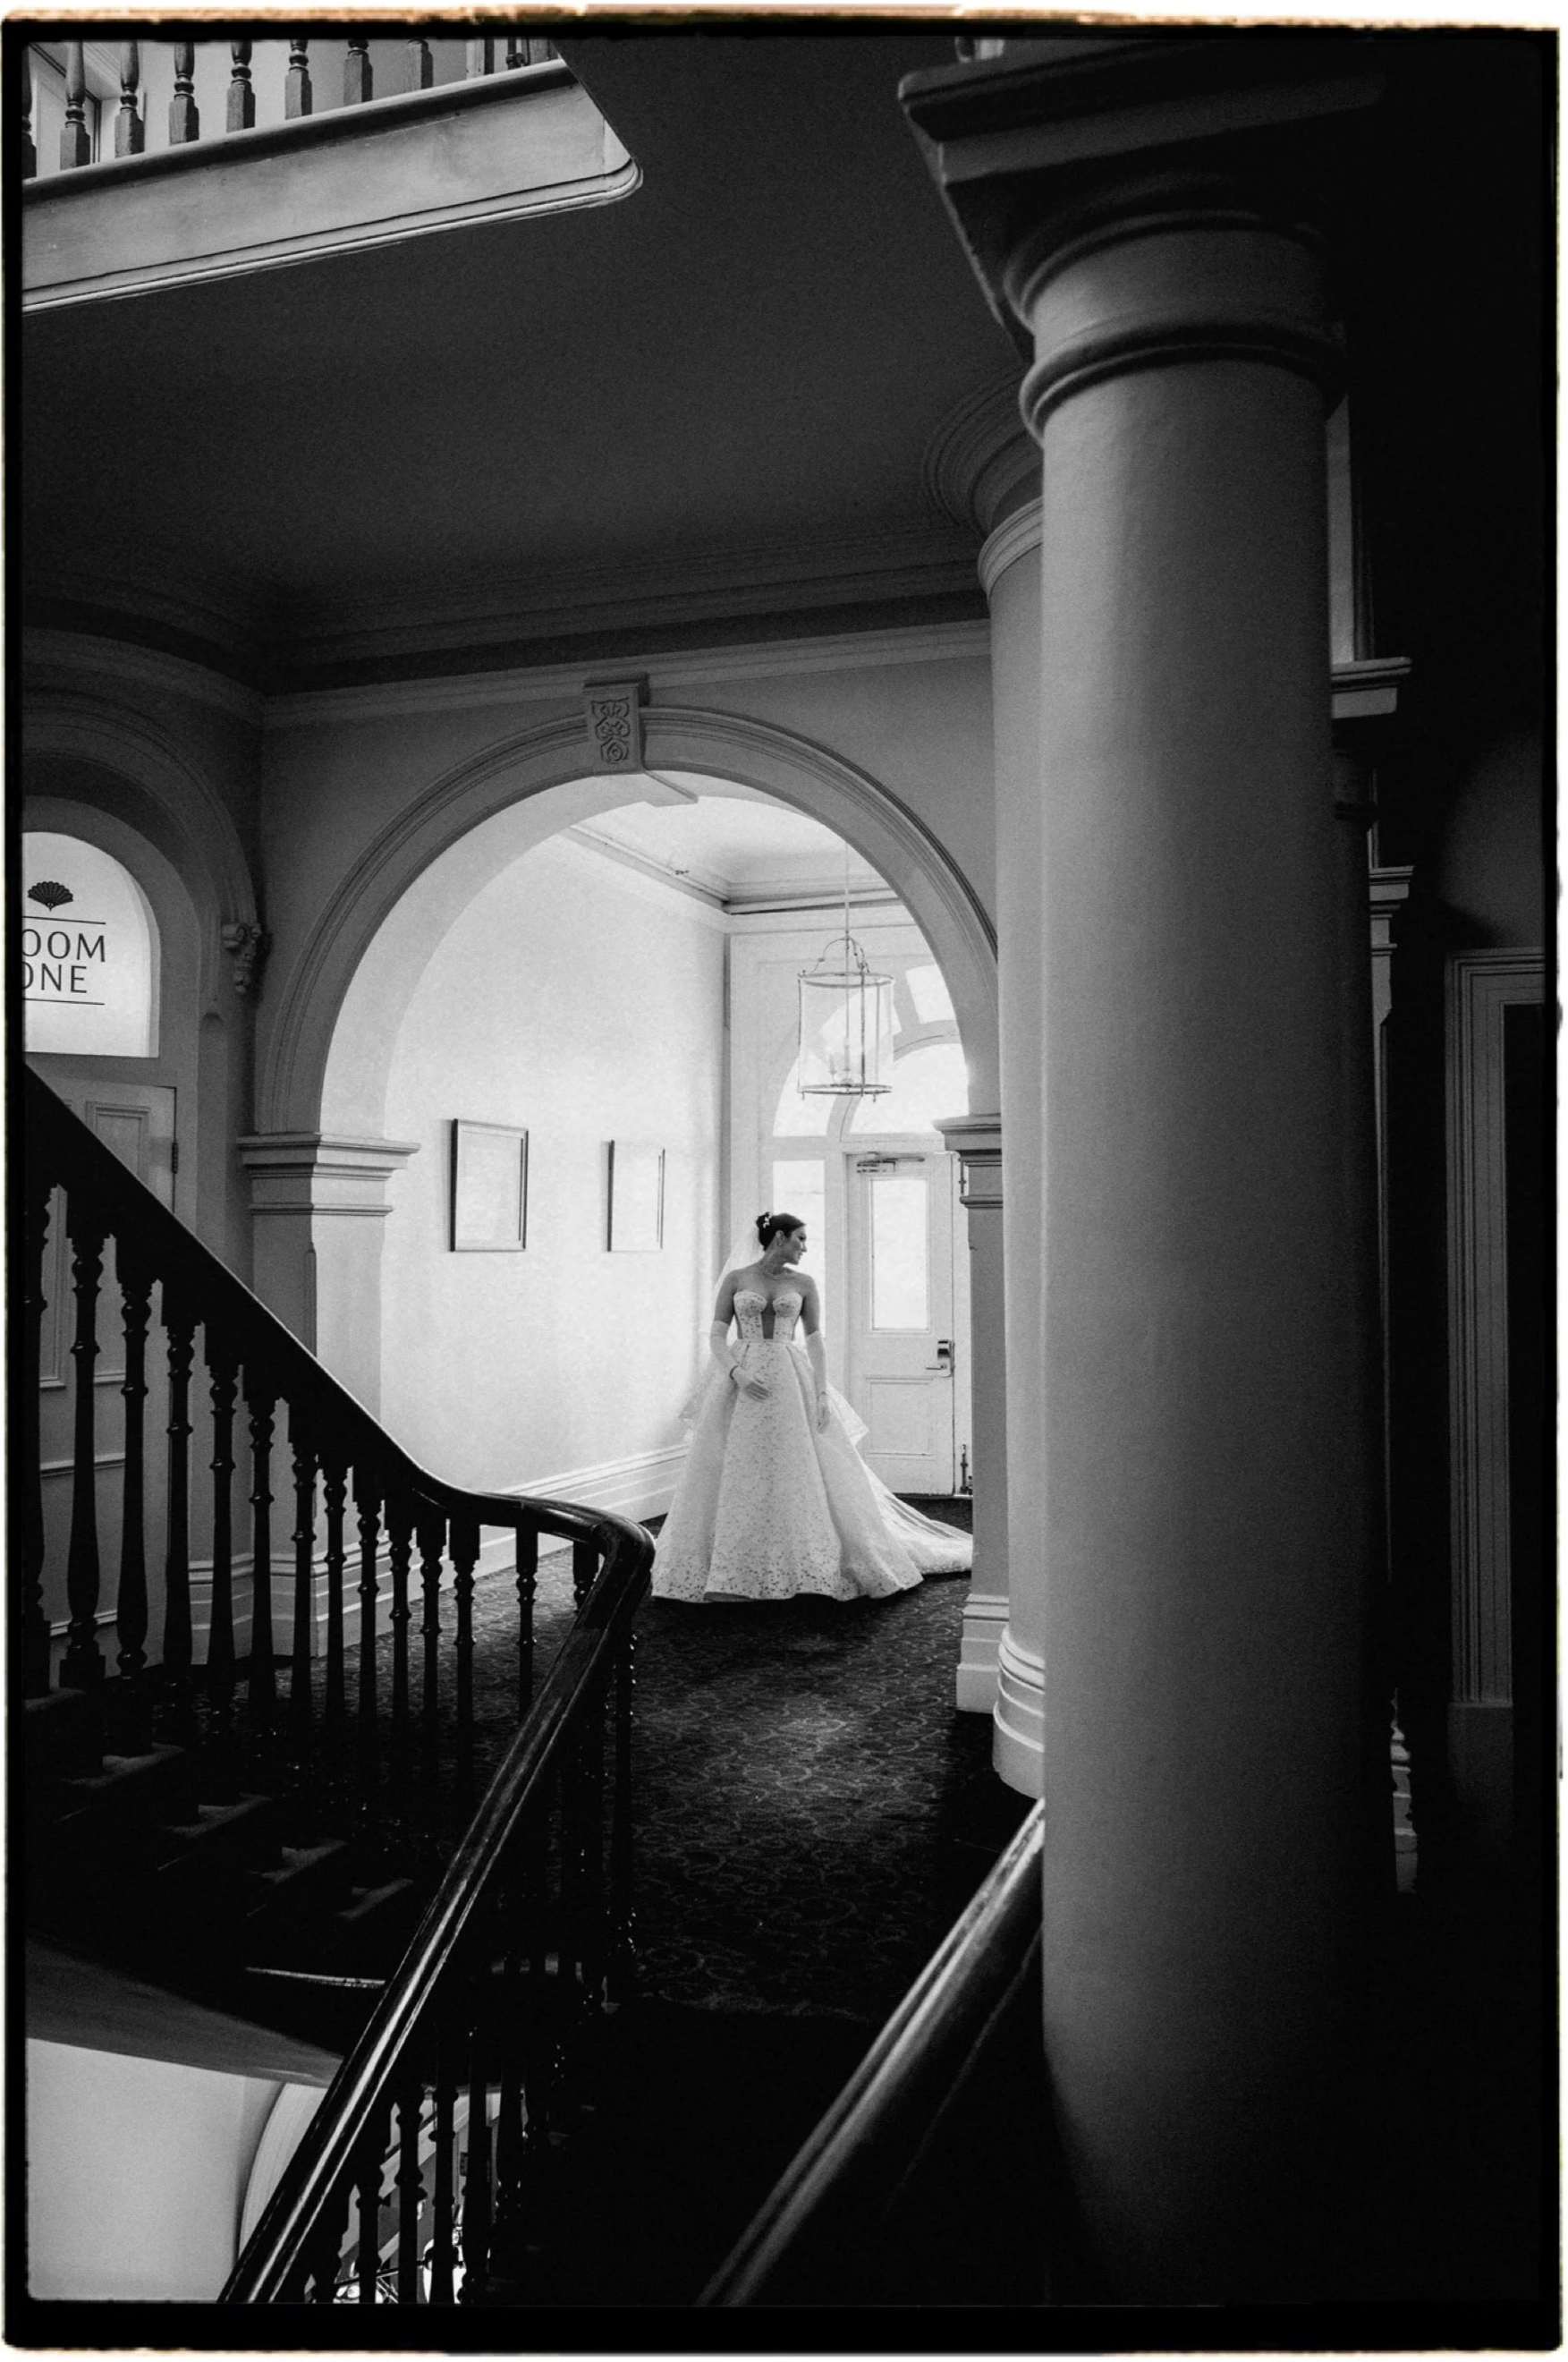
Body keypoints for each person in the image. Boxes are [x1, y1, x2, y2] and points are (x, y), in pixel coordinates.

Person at [651, 1210, 972, 1603]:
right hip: (743, 1379)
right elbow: (717, 1335)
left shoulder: (803, 1283)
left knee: (795, 1462)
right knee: (737, 1463)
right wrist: (736, 1373)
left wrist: (820, 1394)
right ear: (780, 1237)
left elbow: (815, 1339)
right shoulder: (737, 1279)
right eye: (800, 1239)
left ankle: (807, 1564)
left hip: (789, 1377)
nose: (805, 1247)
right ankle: (729, 1567)